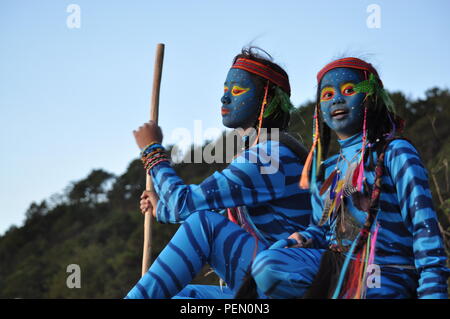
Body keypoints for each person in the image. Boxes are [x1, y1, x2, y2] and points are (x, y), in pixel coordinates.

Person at [248, 57, 449, 299]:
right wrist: (303, 238)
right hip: (338, 269)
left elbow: (423, 225)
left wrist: (433, 290)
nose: (337, 99)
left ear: (371, 97)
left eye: (349, 90)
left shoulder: (396, 153)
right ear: (319, 111)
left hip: (387, 272)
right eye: (327, 94)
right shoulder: (329, 170)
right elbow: (321, 229)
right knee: (269, 265)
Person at [125, 47, 312, 299]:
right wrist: (161, 209)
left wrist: (152, 151)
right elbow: (192, 207)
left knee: (204, 226)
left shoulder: (271, 156)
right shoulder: (262, 152)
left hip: (286, 279)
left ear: (265, 100)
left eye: (237, 91)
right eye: (225, 91)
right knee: (184, 297)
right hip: (264, 279)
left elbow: (186, 206)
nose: (225, 99)